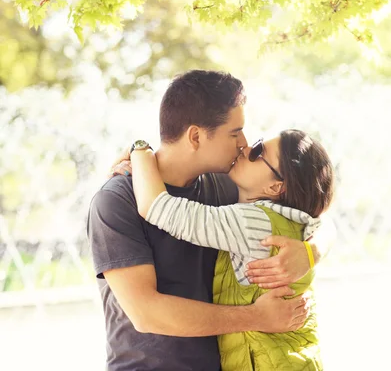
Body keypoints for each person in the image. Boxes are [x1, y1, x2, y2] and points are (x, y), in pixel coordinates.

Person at [87, 70, 332, 371]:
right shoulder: (117, 200)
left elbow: (309, 211)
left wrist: (311, 251)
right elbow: (147, 314)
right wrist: (257, 317)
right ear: (196, 136)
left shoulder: (230, 187)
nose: (244, 144)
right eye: (235, 132)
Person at [123, 129, 334, 370]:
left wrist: (139, 149)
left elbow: (158, 208)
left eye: (258, 151)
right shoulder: (296, 221)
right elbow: (324, 220)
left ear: (276, 188)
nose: (245, 148)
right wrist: (312, 251)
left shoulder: (252, 222)